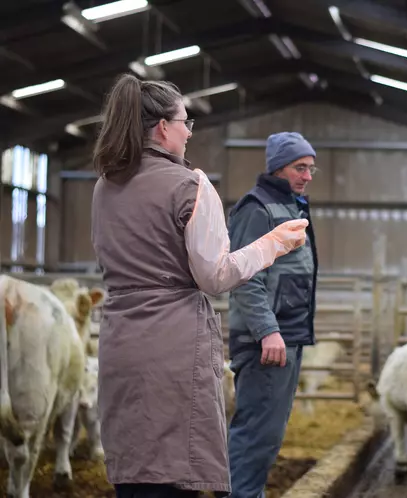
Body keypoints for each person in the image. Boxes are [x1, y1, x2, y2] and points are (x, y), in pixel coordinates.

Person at [89, 73, 308, 498]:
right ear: (163, 128)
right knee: (174, 470)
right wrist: (272, 244)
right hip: (172, 343)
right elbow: (215, 276)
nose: (189, 132)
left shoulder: (104, 185)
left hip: (120, 339)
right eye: (186, 122)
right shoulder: (191, 185)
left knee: (134, 468)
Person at [226, 132, 319, 498]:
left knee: (266, 437)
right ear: (278, 167)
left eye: (311, 168)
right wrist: (267, 330)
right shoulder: (257, 208)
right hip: (266, 343)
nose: (308, 175)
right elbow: (244, 276)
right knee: (255, 436)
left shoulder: (290, 206)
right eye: (300, 167)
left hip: (287, 337)